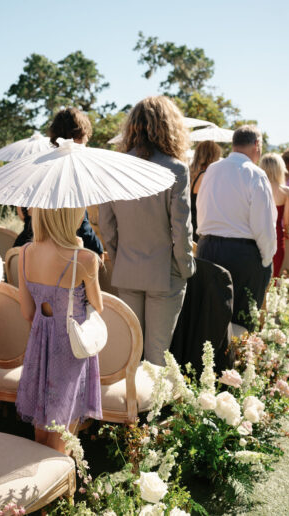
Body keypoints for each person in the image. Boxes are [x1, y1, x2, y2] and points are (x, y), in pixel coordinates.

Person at [99, 96, 195, 366]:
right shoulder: (177, 168)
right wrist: (186, 268)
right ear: (169, 125)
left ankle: (130, 406)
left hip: (128, 269)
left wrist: (119, 261)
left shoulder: (115, 168)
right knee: (158, 355)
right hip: (165, 272)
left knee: (130, 351)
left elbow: (107, 226)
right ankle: (155, 407)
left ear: (132, 127)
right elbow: (181, 228)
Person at [16, 207, 103, 453]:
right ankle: (59, 487)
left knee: (41, 431)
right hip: (70, 347)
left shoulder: (24, 252)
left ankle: (40, 486)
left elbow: (27, 312)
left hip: (39, 344)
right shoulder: (85, 258)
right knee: (62, 436)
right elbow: (98, 305)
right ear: (71, 215)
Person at [196, 125, 277, 328]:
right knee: (241, 320)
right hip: (242, 255)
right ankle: (237, 359)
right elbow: (264, 224)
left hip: (207, 250)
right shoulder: (255, 174)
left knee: (208, 318)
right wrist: (267, 261)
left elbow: (201, 209)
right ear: (257, 145)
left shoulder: (211, 170)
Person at [48, 108, 104, 258]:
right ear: (78, 136)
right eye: (85, 138)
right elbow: (82, 227)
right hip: (72, 256)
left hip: (46, 253)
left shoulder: (46, 169)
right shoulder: (74, 171)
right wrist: (98, 247)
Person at [259, 153, 289, 277]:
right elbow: (287, 221)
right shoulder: (285, 191)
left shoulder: (257, 187)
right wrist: (287, 231)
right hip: (277, 238)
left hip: (257, 237)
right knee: (273, 279)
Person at [190, 141, 222, 242]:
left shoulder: (189, 173)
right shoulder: (205, 176)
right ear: (211, 157)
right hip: (201, 233)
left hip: (190, 228)